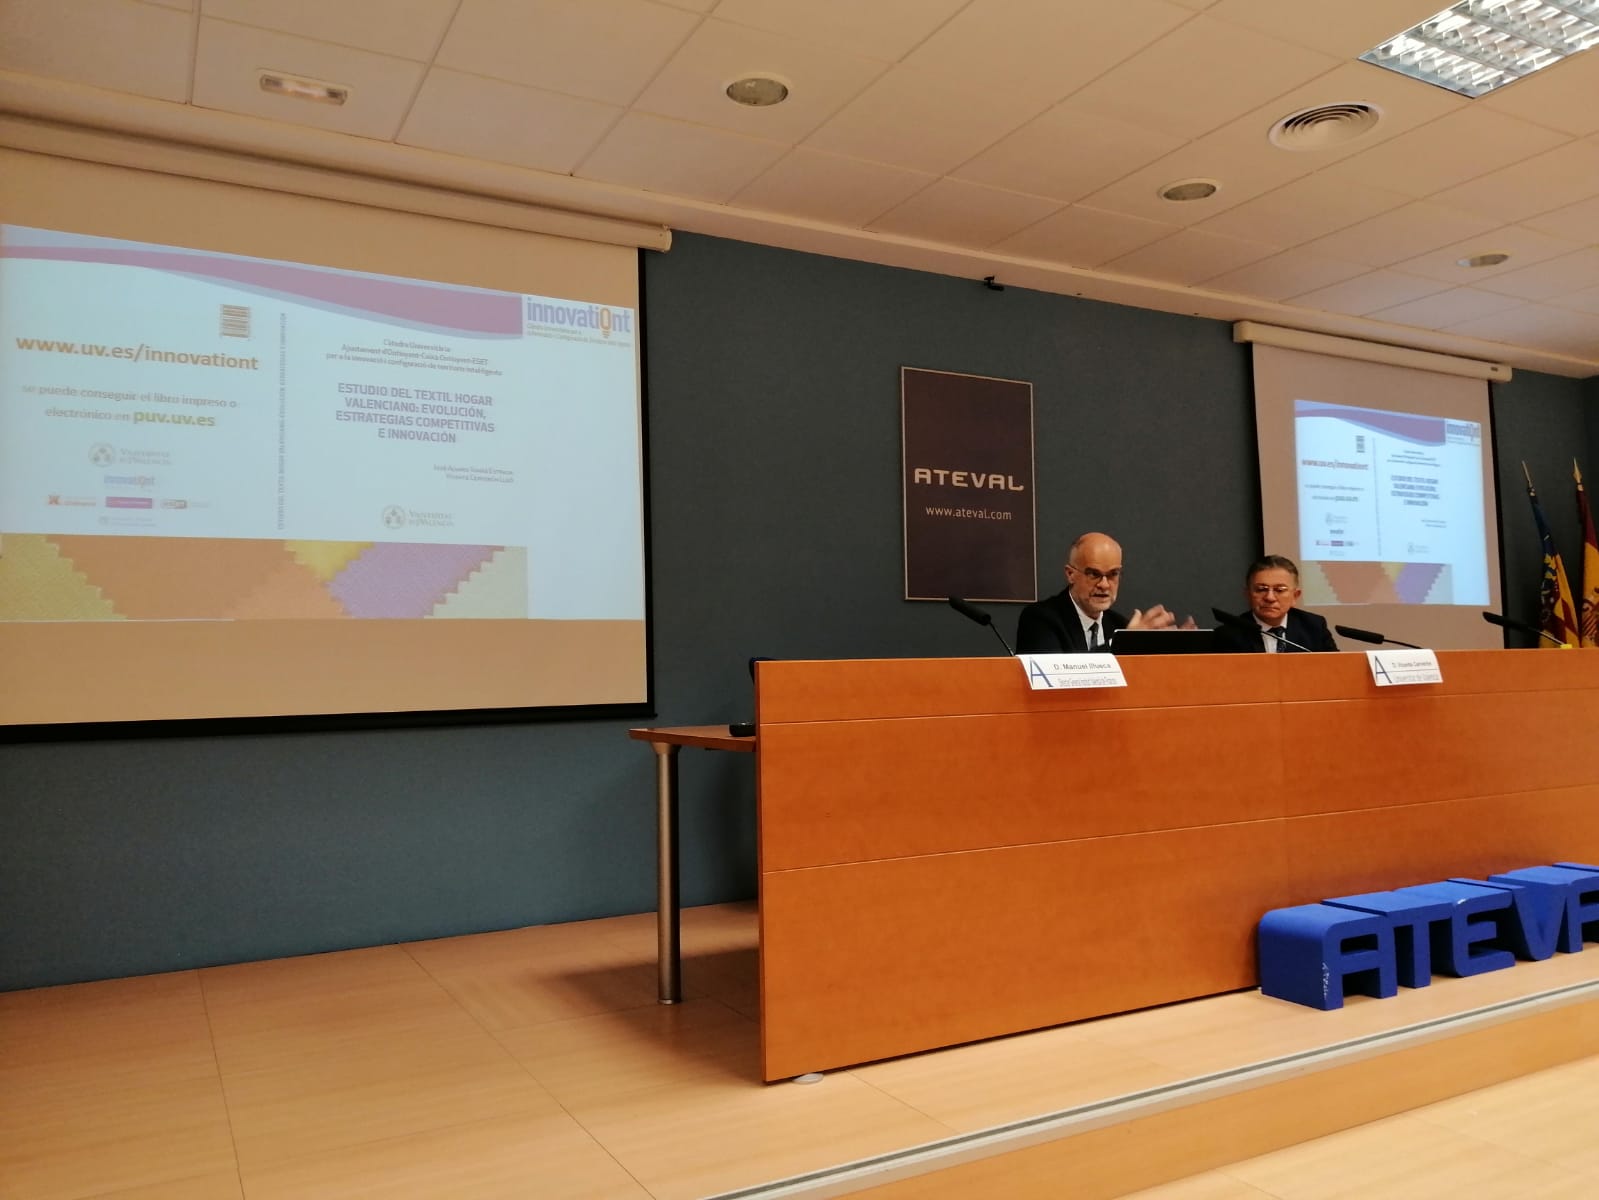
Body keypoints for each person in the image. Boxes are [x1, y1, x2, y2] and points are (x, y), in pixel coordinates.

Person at [1015, 532, 1186, 653]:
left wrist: (1175, 649)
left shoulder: (1119, 625)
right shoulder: (1040, 620)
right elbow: (1057, 678)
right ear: (1070, 574)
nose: (1104, 585)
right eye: (1094, 574)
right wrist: (1124, 644)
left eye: (1113, 574)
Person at [1212, 554, 1338, 653]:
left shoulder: (1314, 627)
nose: (1270, 598)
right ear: (1248, 594)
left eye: (1279, 590)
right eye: (1261, 589)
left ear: (1295, 596)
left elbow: (1337, 669)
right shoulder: (1228, 635)